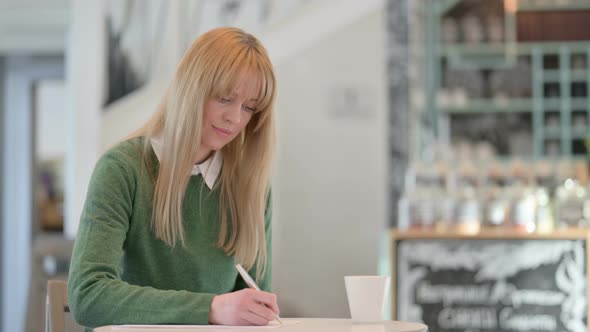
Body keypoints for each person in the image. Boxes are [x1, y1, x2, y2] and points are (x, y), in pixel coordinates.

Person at [68, 26, 279, 330]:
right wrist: (210, 308)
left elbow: (253, 308)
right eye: (224, 99)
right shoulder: (122, 170)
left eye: (249, 107)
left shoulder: (252, 189)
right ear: (192, 89)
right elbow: (87, 295)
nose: (235, 118)